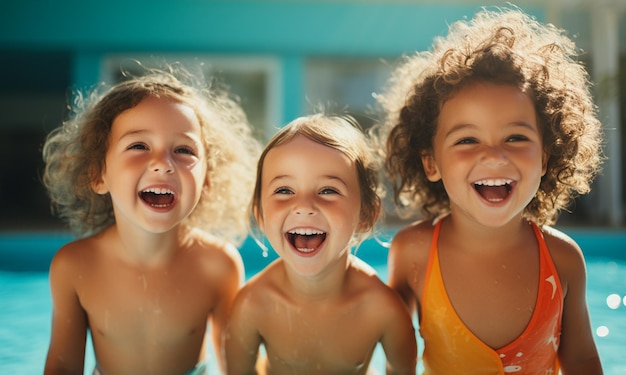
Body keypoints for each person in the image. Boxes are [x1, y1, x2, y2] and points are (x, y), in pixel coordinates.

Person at [374, 7, 604, 375]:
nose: (494, 155)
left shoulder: (562, 259)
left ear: (545, 158)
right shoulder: (413, 252)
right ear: (431, 163)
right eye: (467, 139)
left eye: (515, 137)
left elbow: (581, 360)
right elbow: (397, 361)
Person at [42, 63, 260, 375]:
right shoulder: (75, 266)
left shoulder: (217, 265)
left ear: (207, 179)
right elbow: (63, 367)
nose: (162, 163)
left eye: (184, 150)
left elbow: (238, 367)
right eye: (139, 145)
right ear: (98, 173)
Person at [224, 114, 418, 374]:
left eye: (328, 190)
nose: (304, 206)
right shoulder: (253, 306)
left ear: (366, 215)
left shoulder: (382, 309)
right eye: (284, 190)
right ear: (260, 214)